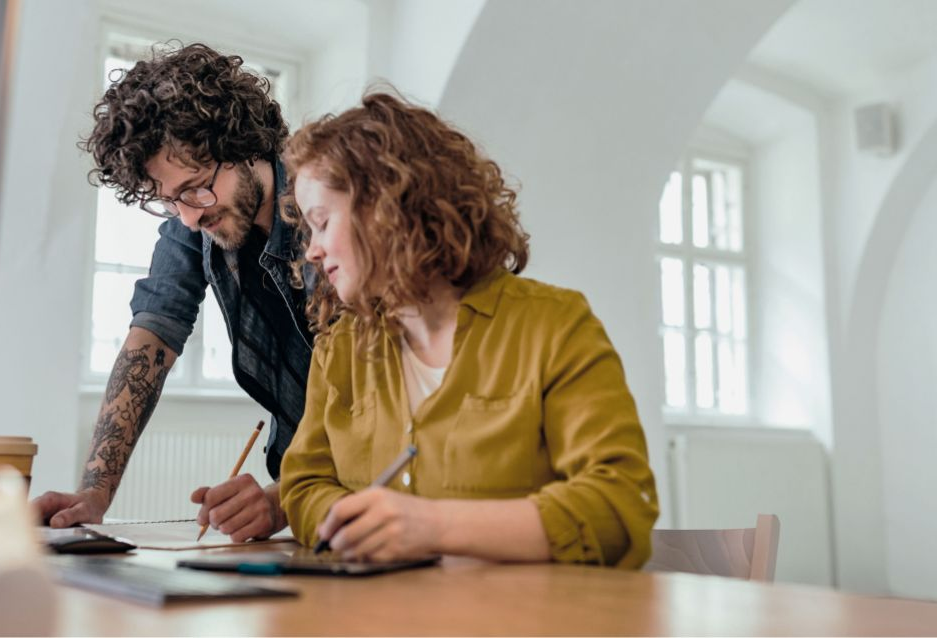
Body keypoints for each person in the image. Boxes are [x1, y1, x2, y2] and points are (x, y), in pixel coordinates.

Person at [279, 92, 659, 566]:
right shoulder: (339, 349)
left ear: (385, 207)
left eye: (321, 222)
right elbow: (303, 485)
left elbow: (619, 506)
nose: (312, 251)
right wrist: (356, 525)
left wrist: (432, 527)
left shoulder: (554, 325)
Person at [32, 43, 312, 542]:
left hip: (373, 479)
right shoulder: (196, 219)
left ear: (245, 144)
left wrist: (281, 498)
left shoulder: (326, 209)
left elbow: (372, 394)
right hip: (309, 487)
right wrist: (94, 493)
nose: (189, 216)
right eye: (169, 201)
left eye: (196, 187)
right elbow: (151, 339)